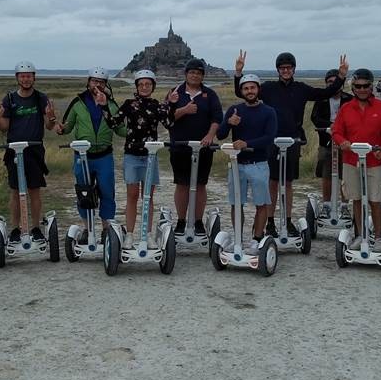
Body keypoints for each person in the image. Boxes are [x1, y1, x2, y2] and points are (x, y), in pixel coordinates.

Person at [233, 50, 348, 237]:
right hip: (271, 140)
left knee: (287, 183)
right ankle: (270, 222)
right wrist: (238, 73)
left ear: (294, 69)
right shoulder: (268, 88)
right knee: (272, 182)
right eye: (282, 68)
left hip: (293, 140)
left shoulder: (301, 88)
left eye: (289, 67)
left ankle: (286, 221)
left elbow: (326, 92)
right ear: (278, 70)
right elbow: (243, 92)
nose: (286, 71)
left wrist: (341, 76)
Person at [55, 67, 126, 239]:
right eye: (94, 81)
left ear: (105, 84)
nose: (97, 85)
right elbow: (67, 127)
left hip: (104, 155)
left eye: (101, 82)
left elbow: (120, 130)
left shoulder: (111, 104)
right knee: (84, 192)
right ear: (88, 82)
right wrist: (58, 127)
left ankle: (106, 228)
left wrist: (138, 130)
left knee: (107, 191)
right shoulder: (78, 103)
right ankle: (87, 229)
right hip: (82, 156)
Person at [331, 69, 381, 251]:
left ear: (371, 86)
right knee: (357, 199)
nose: (362, 89)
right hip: (351, 160)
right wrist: (342, 142)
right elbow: (336, 131)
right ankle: (360, 235)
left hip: (374, 160)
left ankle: (378, 237)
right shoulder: (346, 108)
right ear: (353, 87)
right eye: (358, 86)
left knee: (375, 199)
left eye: (365, 86)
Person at [103, 69, 169, 246]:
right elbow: (113, 123)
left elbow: (169, 123)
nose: (144, 87)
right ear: (137, 86)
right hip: (132, 155)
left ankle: (147, 235)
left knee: (148, 196)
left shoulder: (157, 105)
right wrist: (104, 105)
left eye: (148, 84)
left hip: (150, 156)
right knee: (132, 195)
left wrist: (171, 104)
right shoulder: (128, 104)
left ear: (153, 86)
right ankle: (130, 234)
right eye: (141, 84)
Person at [0, 61, 57, 242]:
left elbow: (49, 125)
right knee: (15, 191)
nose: (26, 79)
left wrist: (52, 117)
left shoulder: (40, 98)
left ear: (34, 77)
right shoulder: (10, 99)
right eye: (22, 76)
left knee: (34, 190)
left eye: (29, 76)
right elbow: (4, 127)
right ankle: (15, 228)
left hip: (34, 149)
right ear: (17, 78)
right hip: (14, 150)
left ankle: (36, 227)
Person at [216, 74, 277, 249]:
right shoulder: (235, 110)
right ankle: (238, 239)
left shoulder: (268, 111)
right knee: (237, 202)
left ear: (258, 89)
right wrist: (228, 123)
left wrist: (247, 143)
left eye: (252, 88)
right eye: (246, 88)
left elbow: (269, 137)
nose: (249, 91)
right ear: (241, 91)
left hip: (259, 164)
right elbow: (220, 135)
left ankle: (257, 238)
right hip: (237, 164)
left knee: (261, 202)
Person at [165, 58, 223, 237]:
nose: (195, 76)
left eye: (198, 73)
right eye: (192, 72)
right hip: (180, 146)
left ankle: (198, 221)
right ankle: (181, 221)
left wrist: (210, 135)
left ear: (202, 76)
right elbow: (167, 119)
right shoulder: (174, 93)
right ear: (186, 74)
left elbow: (217, 118)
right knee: (182, 184)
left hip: (203, 147)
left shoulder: (210, 94)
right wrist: (184, 110)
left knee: (200, 185)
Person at [309, 69, 352, 214]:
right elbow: (315, 118)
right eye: (330, 82)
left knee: (345, 174)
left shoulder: (349, 99)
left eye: (336, 82)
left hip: (345, 142)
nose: (333, 85)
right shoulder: (321, 100)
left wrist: (341, 127)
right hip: (326, 141)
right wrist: (330, 125)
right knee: (327, 173)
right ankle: (327, 204)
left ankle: (345, 205)